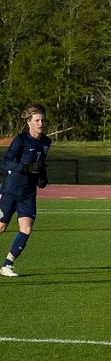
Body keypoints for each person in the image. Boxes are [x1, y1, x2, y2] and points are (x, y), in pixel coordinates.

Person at [0, 105, 51, 277]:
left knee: (26, 228)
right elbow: (5, 163)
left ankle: (7, 265)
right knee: (1, 226)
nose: (41, 123)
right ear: (29, 122)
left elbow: (40, 162)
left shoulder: (46, 142)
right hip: (10, 190)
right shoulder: (21, 140)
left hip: (28, 193)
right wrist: (26, 168)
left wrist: (42, 175)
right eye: (37, 120)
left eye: (42, 120)